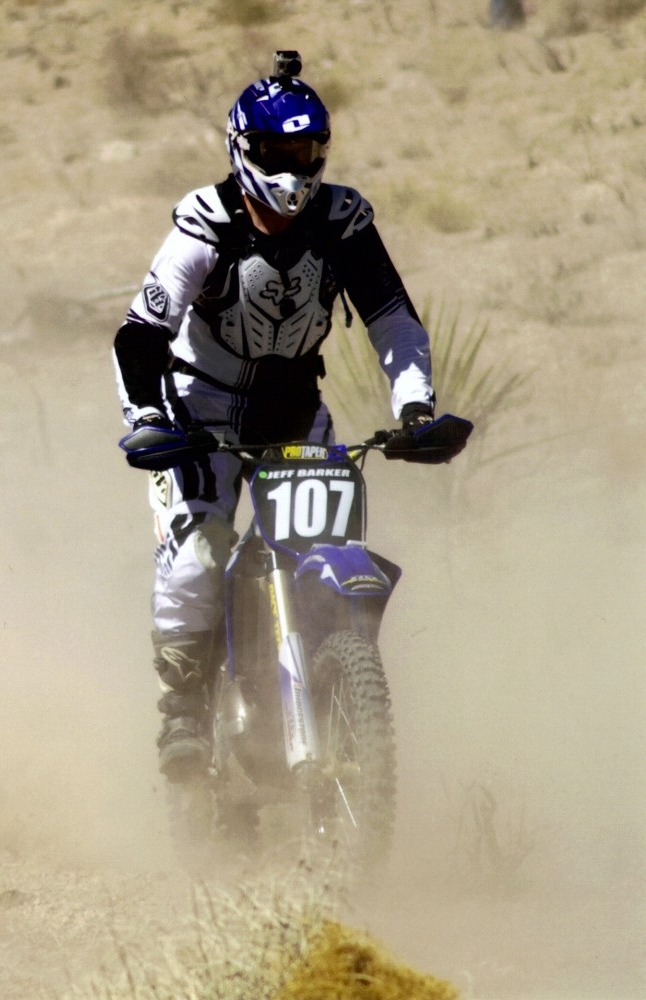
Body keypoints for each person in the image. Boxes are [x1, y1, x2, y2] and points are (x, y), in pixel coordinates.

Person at [113, 52, 436, 782]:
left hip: (297, 416)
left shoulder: (342, 221)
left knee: (324, 561)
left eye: (306, 151)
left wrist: (414, 404)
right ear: (242, 148)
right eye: (275, 152)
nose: (293, 168)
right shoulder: (206, 222)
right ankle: (183, 711)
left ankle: (334, 691)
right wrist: (146, 416)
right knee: (197, 559)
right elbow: (140, 332)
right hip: (200, 417)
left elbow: (392, 317)